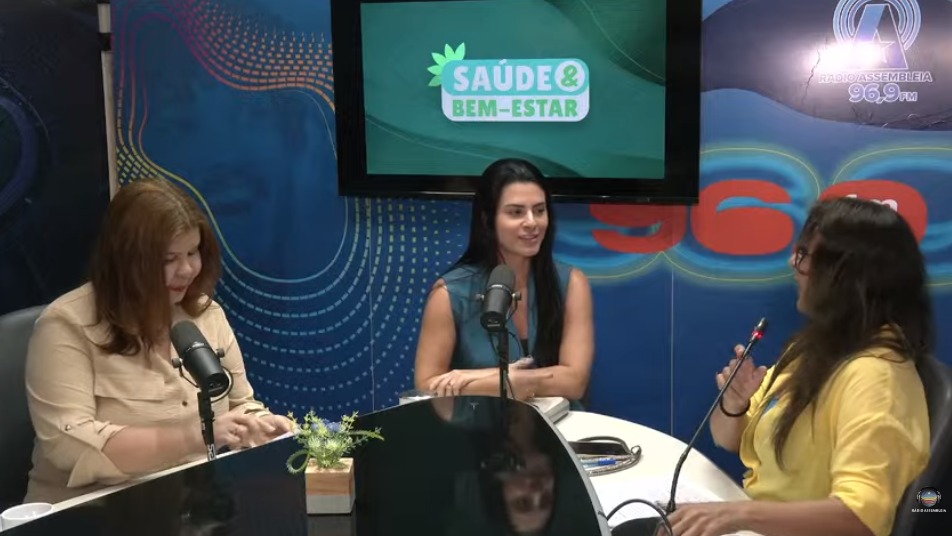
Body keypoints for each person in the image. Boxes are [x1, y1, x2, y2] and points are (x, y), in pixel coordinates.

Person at [670, 197, 932, 536]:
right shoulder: (815, 347)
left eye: (806, 255)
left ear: (848, 276)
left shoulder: (876, 378)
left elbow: (860, 517)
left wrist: (739, 515)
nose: (793, 263)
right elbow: (727, 439)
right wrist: (734, 404)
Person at [23, 178, 293, 504]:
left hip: (192, 509)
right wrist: (193, 437)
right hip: (90, 512)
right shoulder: (65, 326)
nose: (187, 269)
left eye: (193, 252)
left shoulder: (206, 314)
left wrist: (261, 425)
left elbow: (239, 404)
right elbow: (69, 446)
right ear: (125, 260)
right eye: (168, 259)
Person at [413, 158, 594, 407]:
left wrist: (484, 378)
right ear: (488, 219)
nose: (532, 222)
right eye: (516, 212)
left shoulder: (572, 283)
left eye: (539, 210)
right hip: (478, 424)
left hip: (559, 424)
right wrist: (514, 381)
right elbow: (428, 385)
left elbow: (574, 382)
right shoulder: (449, 294)